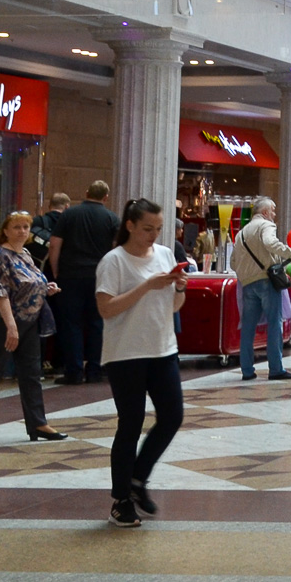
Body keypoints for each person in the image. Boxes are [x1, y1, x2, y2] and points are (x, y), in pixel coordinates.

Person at [94, 198, 187, 530]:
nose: (153, 235)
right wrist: (147, 285)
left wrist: (178, 288)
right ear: (130, 225)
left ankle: (138, 478)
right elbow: (106, 309)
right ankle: (120, 501)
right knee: (130, 424)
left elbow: (174, 307)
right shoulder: (114, 261)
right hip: (126, 353)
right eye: (147, 228)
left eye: (158, 229)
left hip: (162, 348)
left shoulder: (164, 254)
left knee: (172, 416)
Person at [0, 211, 68, 444]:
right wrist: (11, 327)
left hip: (30, 320)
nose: (22, 231)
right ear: (5, 230)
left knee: (31, 373)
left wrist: (46, 288)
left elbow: (30, 282)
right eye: (16, 227)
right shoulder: (0, 256)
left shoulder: (25, 254)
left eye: (25, 227)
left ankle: (38, 423)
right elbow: (0, 292)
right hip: (4, 321)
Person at [49, 181, 118, 385]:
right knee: (97, 323)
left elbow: (55, 245)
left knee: (72, 324)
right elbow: (117, 249)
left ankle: (74, 371)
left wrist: (56, 270)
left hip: (70, 275)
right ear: (106, 197)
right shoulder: (112, 218)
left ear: (86, 193)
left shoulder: (69, 214)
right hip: (100, 276)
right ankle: (95, 370)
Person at [234, 197, 291, 382]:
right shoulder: (266, 226)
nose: (274, 214)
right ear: (264, 212)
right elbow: (270, 243)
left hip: (248, 283)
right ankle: (276, 368)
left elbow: (233, 261)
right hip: (266, 281)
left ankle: (247, 370)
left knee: (248, 328)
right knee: (275, 323)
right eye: (273, 210)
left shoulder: (241, 233)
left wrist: (245, 274)